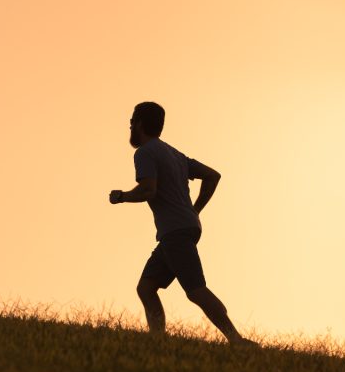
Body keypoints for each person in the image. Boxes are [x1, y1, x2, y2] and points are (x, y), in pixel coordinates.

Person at [109, 101, 258, 347]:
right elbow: (212, 175)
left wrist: (122, 196)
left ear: (141, 124)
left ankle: (236, 339)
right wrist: (194, 210)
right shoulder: (175, 154)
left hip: (175, 232)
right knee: (146, 287)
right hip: (178, 230)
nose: (130, 127)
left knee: (196, 290)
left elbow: (148, 189)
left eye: (132, 122)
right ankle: (158, 341)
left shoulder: (144, 153)